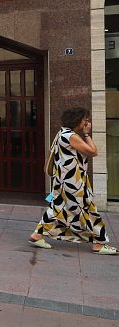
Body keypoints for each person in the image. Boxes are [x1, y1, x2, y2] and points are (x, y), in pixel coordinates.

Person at [29, 107, 117, 254]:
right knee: (88, 210)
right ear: (77, 121)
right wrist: (87, 134)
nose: (87, 123)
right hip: (73, 182)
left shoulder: (62, 133)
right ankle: (99, 244)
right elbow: (93, 151)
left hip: (63, 180)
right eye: (85, 120)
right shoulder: (71, 136)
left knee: (58, 208)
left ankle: (37, 235)